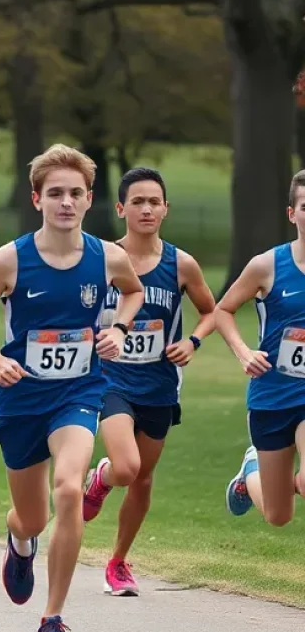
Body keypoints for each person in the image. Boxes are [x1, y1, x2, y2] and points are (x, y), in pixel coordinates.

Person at [0, 145, 143, 632]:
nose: (66, 202)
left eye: (75, 193)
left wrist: (119, 329)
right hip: (22, 396)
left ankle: (52, 621)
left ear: (88, 200)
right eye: (56, 193)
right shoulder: (10, 259)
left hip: (78, 391)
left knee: (68, 489)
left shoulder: (107, 257)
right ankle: (19, 541)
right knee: (33, 517)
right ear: (37, 199)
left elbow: (132, 292)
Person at [81, 168, 216, 596]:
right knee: (127, 468)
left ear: (165, 209)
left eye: (154, 202)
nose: (146, 209)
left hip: (159, 384)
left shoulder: (182, 264)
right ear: (121, 209)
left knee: (142, 479)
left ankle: (118, 562)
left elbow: (211, 311)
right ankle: (103, 477)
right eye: (137, 202)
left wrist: (192, 341)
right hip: (110, 379)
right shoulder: (101, 258)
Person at [214, 168, 305, 529]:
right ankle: (249, 471)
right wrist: (243, 352)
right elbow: (223, 310)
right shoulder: (267, 265)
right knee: (278, 515)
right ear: (292, 214)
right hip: (272, 396)